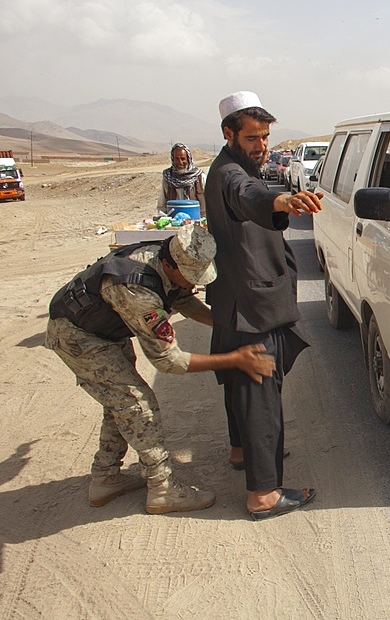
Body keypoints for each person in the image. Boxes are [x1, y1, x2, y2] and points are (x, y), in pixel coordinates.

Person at [44, 224, 276, 513]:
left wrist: (226, 324)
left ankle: (106, 477)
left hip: (103, 329)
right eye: (189, 277)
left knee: (119, 404)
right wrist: (235, 358)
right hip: (78, 335)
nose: (193, 285)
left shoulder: (165, 257)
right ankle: (162, 489)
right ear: (169, 264)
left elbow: (182, 299)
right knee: (137, 404)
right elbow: (169, 361)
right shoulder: (137, 291)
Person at [204, 91, 324, 520]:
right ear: (229, 134)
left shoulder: (228, 168)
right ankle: (264, 494)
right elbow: (249, 195)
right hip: (253, 305)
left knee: (241, 388)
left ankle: (242, 452)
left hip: (237, 299)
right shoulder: (230, 174)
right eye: (253, 137)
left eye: (266, 137)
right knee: (260, 397)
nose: (262, 146)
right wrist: (281, 201)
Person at [158, 143, 206, 215]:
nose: (180, 162)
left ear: (188, 158)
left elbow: (210, 200)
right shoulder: (168, 176)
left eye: (183, 159)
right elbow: (162, 202)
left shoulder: (199, 176)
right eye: (176, 159)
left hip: (196, 218)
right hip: (173, 220)